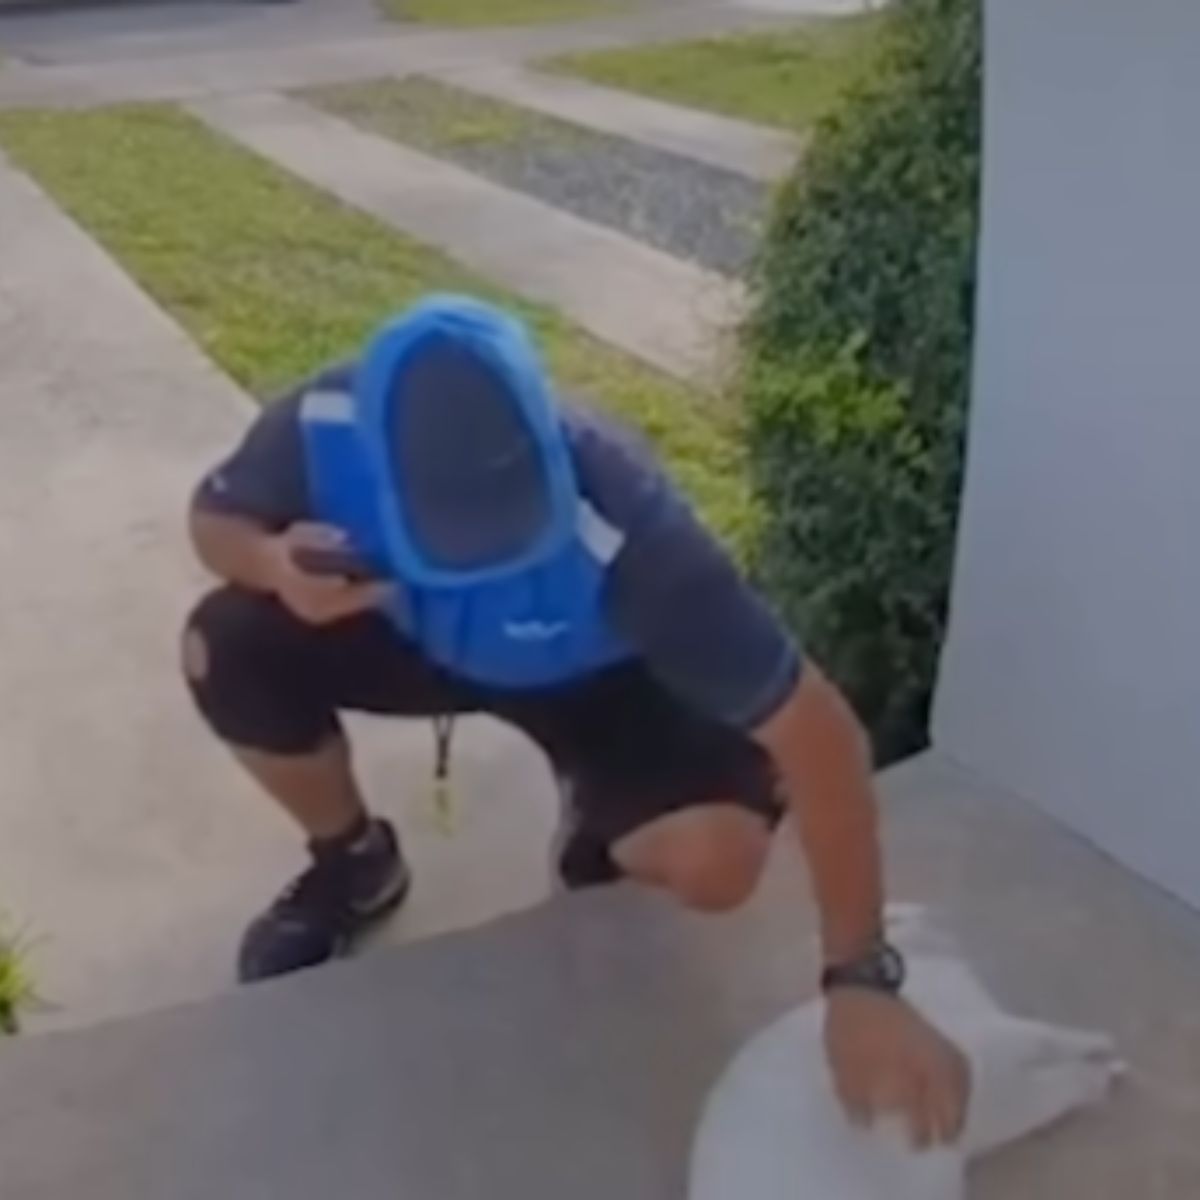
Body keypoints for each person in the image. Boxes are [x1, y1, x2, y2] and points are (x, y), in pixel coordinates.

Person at [183, 295, 968, 1146]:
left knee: (718, 864)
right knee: (221, 644)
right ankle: (354, 862)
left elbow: (823, 740)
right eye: (453, 538)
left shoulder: (636, 532)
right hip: (410, 636)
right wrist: (269, 561)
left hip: (599, 679)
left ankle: (599, 820)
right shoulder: (319, 422)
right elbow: (212, 520)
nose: (483, 557)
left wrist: (860, 980)